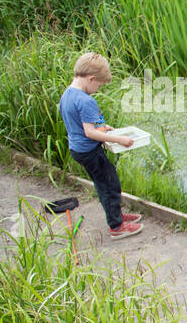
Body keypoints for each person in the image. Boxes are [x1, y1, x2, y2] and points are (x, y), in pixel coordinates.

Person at [59, 52, 142, 240]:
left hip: (77, 149)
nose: (98, 89)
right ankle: (117, 225)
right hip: (89, 151)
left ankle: (117, 215)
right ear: (91, 78)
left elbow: (80, 124)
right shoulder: (86, 100)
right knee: (109, 185)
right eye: (99, 85)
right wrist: (118, 139)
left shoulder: (68, 94)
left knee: (105, 182)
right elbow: (90, 133)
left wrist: (103, 128)